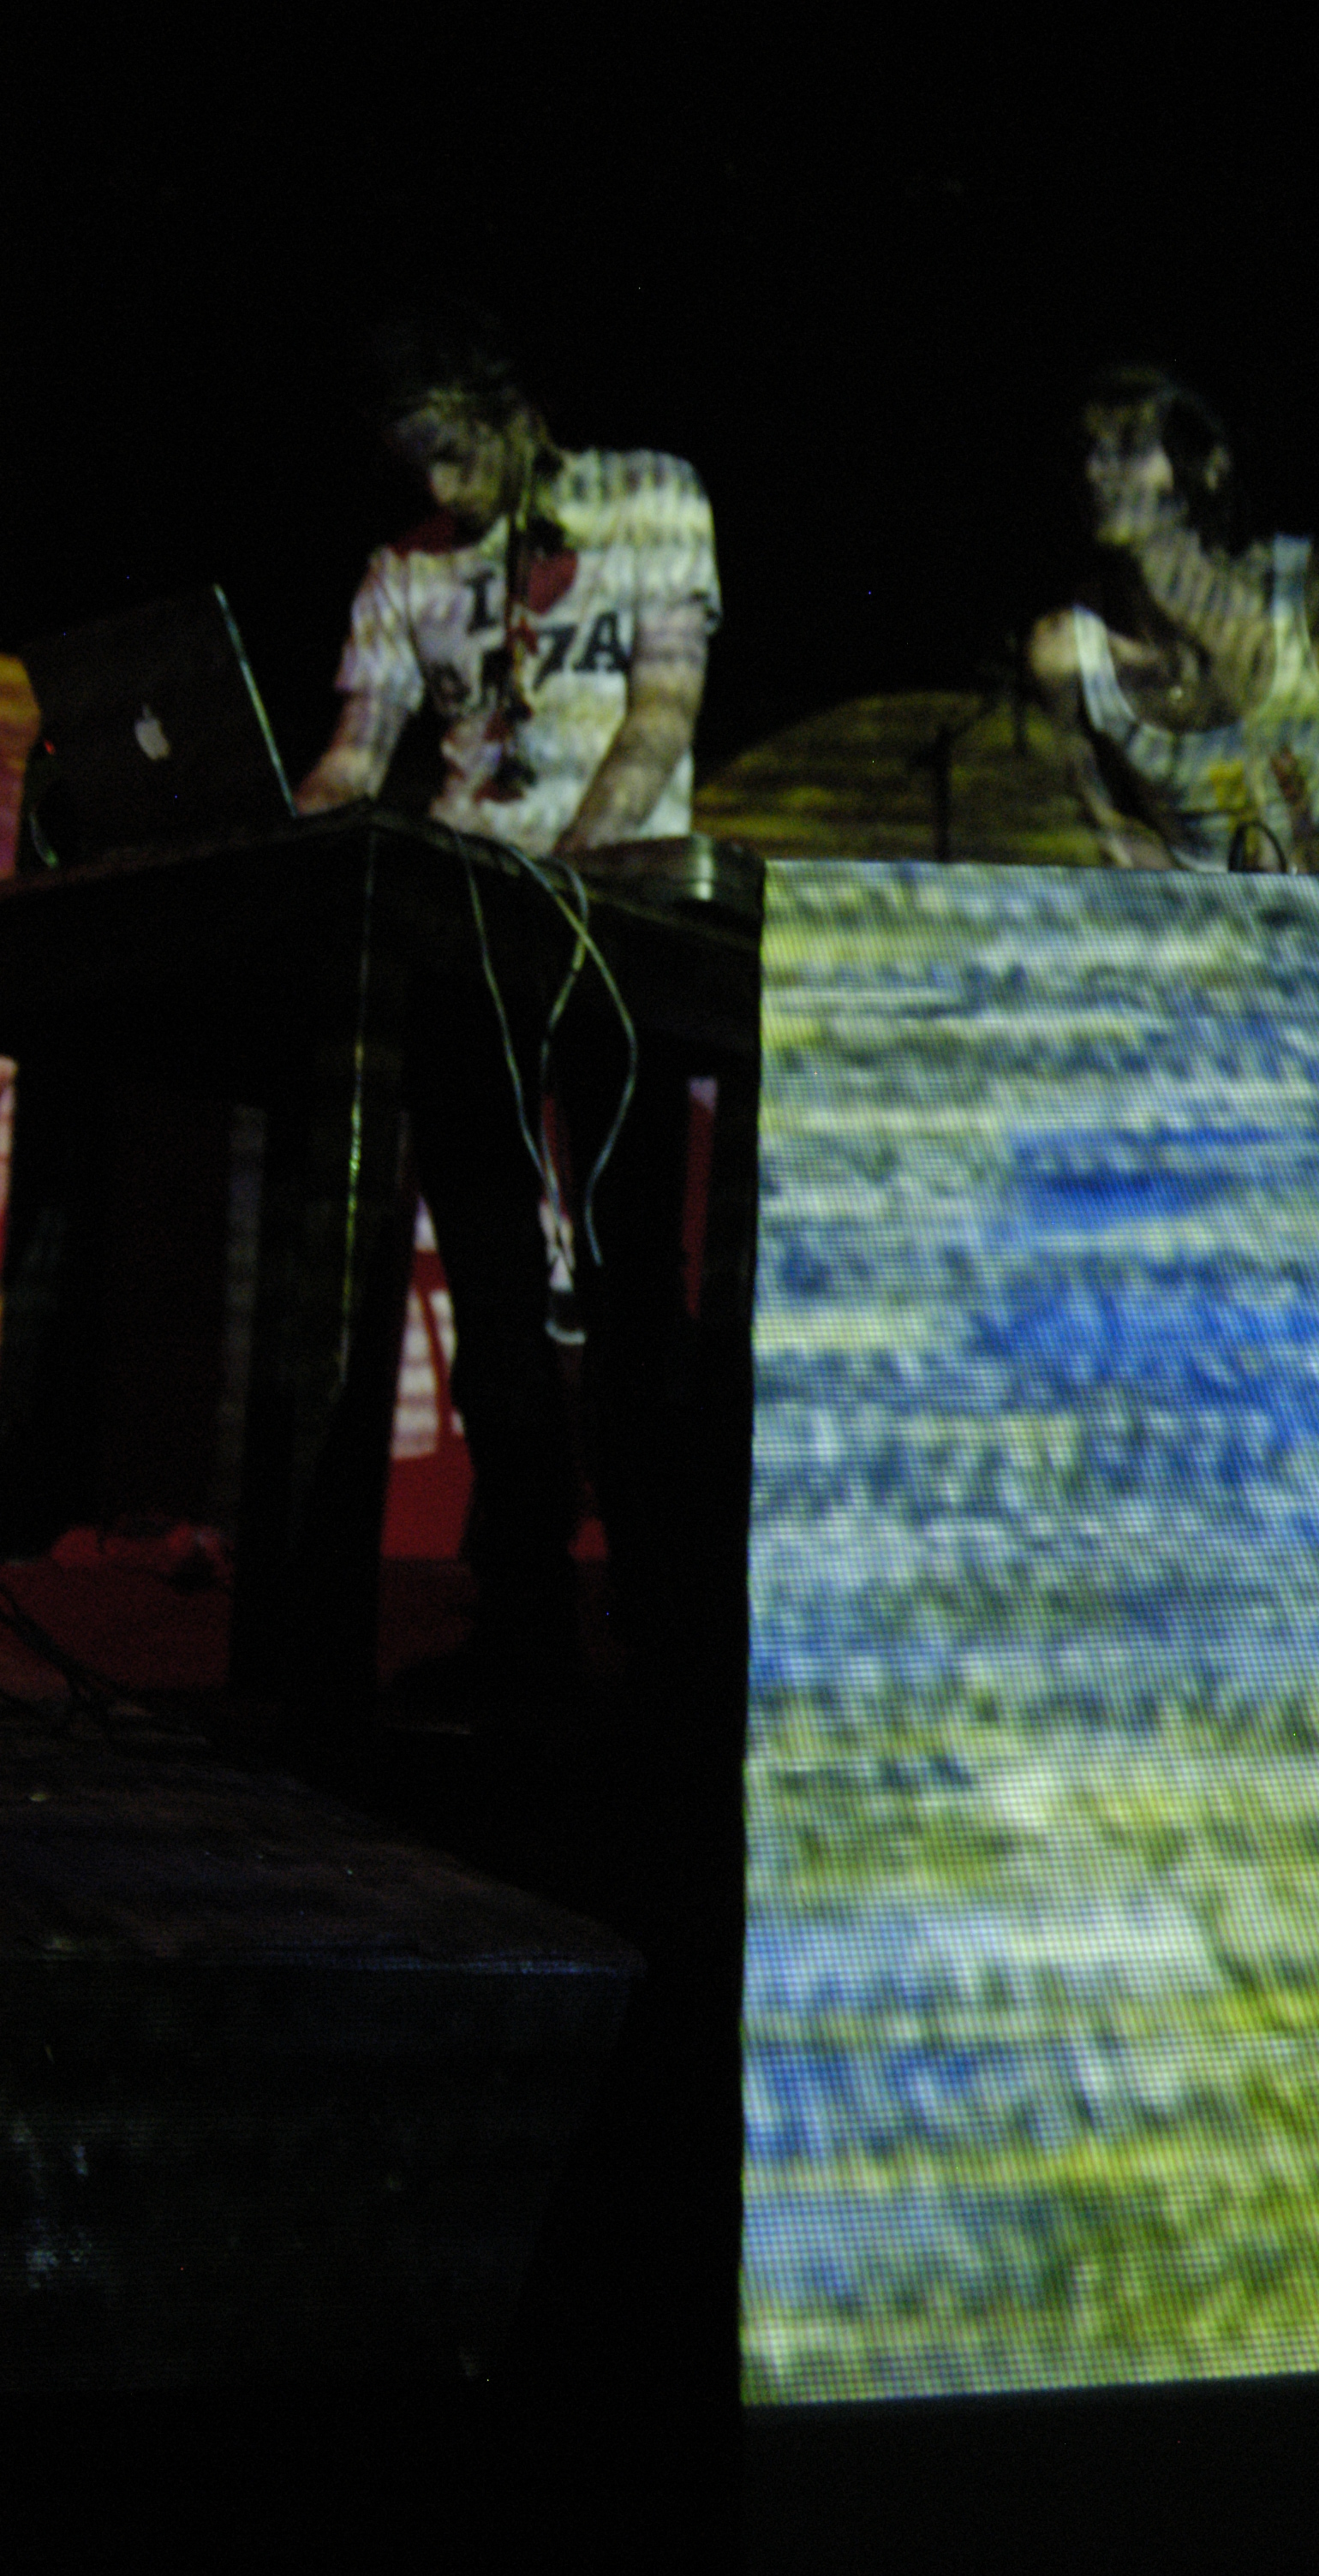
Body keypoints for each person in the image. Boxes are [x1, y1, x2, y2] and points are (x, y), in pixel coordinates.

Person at [295, 307, 722, 1761]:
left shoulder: (650, 498)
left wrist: (575, 880)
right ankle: (523, 1620)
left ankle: (663, 1628)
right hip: (463, 928)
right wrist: (286, 828)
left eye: (460, 451)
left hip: (617, 926)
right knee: (489, 1286)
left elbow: (661, 714)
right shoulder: (403, 569)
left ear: (512, 410)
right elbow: (356, 756)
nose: (445, 487)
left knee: (630, 1279)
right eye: (418, 463)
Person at [1028, 365, 1319, 874]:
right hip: (1197, 918)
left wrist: (1296, 869)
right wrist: (1142, 862)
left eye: (1128, 446)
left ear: (1209, 468)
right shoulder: (1067, 653)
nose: (1094, 470)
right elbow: (1103, 821)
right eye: (1087, 450)